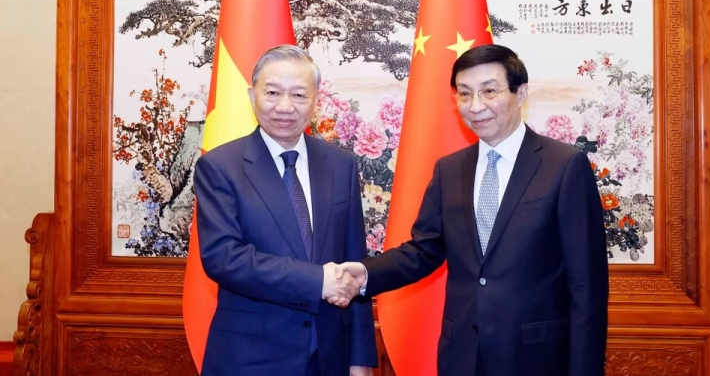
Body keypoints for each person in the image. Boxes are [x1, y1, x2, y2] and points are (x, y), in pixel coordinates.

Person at [334, 44, 609, 376]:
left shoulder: (564, 166)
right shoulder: (450, 169)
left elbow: (587, 285)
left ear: (521, 93)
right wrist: (366, 274)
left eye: (489, 91)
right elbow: (424, 250)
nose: (476, 106)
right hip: (462, 354)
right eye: (464, 94)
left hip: (536, 357)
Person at [193, 44, 377, 376]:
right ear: (252, 96)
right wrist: (317, 281)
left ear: (316, 100)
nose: (284, 106)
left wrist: (360, 359)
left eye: (299, 95)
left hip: (329, 359)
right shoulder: (220, 166)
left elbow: (354, 261)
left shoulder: (340, 164)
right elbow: (223, 258)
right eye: (273, 93)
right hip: (251, 360)